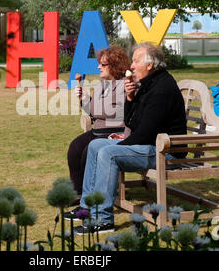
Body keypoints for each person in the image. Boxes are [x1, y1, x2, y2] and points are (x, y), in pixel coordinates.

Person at [69, 43, 187, 234]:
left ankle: (103, 220)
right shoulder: (148, 84)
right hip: (151, 146)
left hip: (166, 152)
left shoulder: (162, 89)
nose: (131, 66)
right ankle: (87, 208)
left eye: (135, 61)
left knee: (108, 153)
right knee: (95, 145)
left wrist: (120, 144)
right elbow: (131, 121)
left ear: (149, 65)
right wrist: (131, 98)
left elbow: (145, 132)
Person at [66, 45, 129, 208]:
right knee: (74, 148)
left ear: (115, 65)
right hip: (98, 130)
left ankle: (92, 194)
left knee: (88, 153)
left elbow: (112, 112)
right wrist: (85, 99)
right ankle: (79, 192)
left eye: (103, 64)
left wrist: (91, 104)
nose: (98, 67)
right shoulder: (103, 83)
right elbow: (93, 112)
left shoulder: (125, 85)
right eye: (99, 63)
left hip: (114, 132)